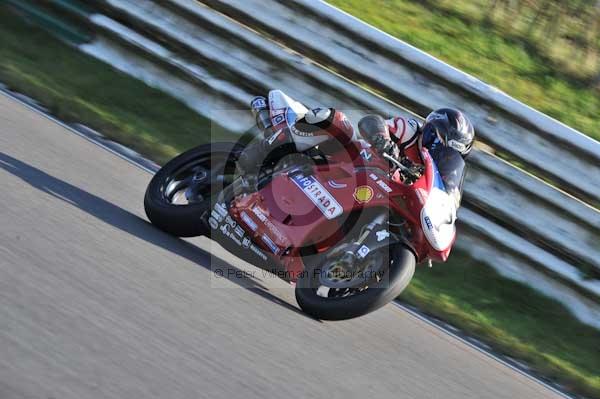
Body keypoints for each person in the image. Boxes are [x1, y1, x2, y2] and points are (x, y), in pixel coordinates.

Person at [238, 90, 474, 209]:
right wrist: (383, 140)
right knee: (335, 121)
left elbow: (443, 200)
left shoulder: (432, 181)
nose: (438, 151)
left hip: (366, 196)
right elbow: (372, 122)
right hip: (348, 160)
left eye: (449, 154)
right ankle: (262, 157)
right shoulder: (411, 130)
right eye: (438, 141)